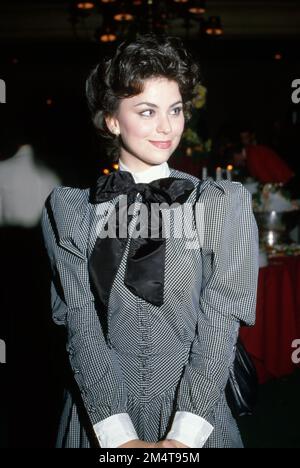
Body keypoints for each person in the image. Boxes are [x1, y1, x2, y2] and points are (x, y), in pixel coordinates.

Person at [41, 34, 259, 448]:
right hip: (98, 414)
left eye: (175, 110)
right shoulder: (69, 209)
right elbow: (80, 323)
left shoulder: (219, 203)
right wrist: (118, 436)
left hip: (197, 411)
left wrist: (183, 436)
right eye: (147, 111)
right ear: (112, 120)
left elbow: (220, 322)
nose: (167, 127)